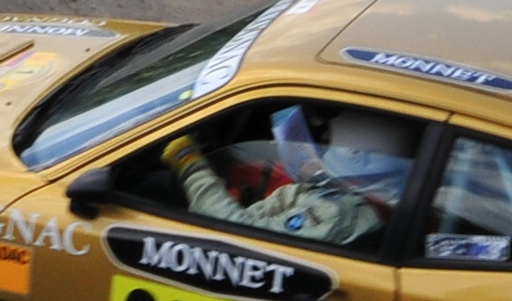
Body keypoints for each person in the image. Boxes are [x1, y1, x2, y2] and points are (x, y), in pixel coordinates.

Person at [161, 104, 412, 246]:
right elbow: (257, 215)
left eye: (328, 140)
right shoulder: (345, 195)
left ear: (356, 155)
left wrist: (189, 164)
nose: (322, 143)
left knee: (154, 192)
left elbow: (235, 232)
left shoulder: (340, 212)